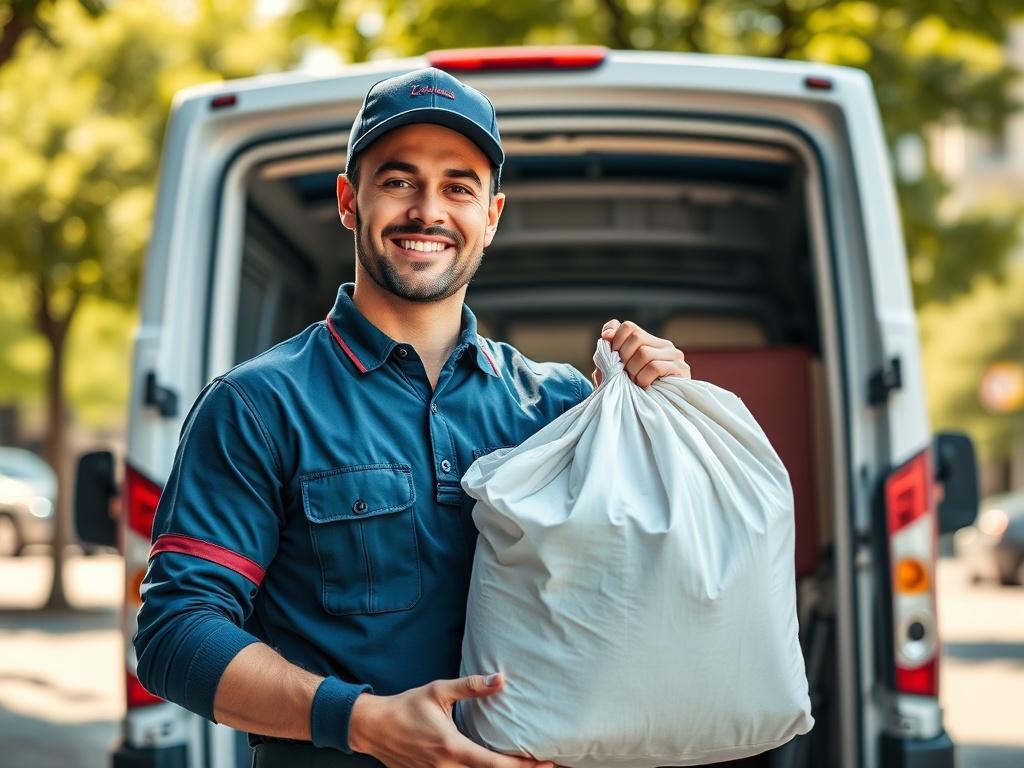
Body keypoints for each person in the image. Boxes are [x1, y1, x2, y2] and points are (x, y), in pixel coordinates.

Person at [134, 67, 691, 768]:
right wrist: (361, 721)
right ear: (348, 201)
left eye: (459, 187)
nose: (428, 209)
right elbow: (174, 634)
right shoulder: (258, 404)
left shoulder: (561, 408)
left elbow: (658, 581)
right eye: (398, 181)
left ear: (490, 217)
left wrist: (666, 412)